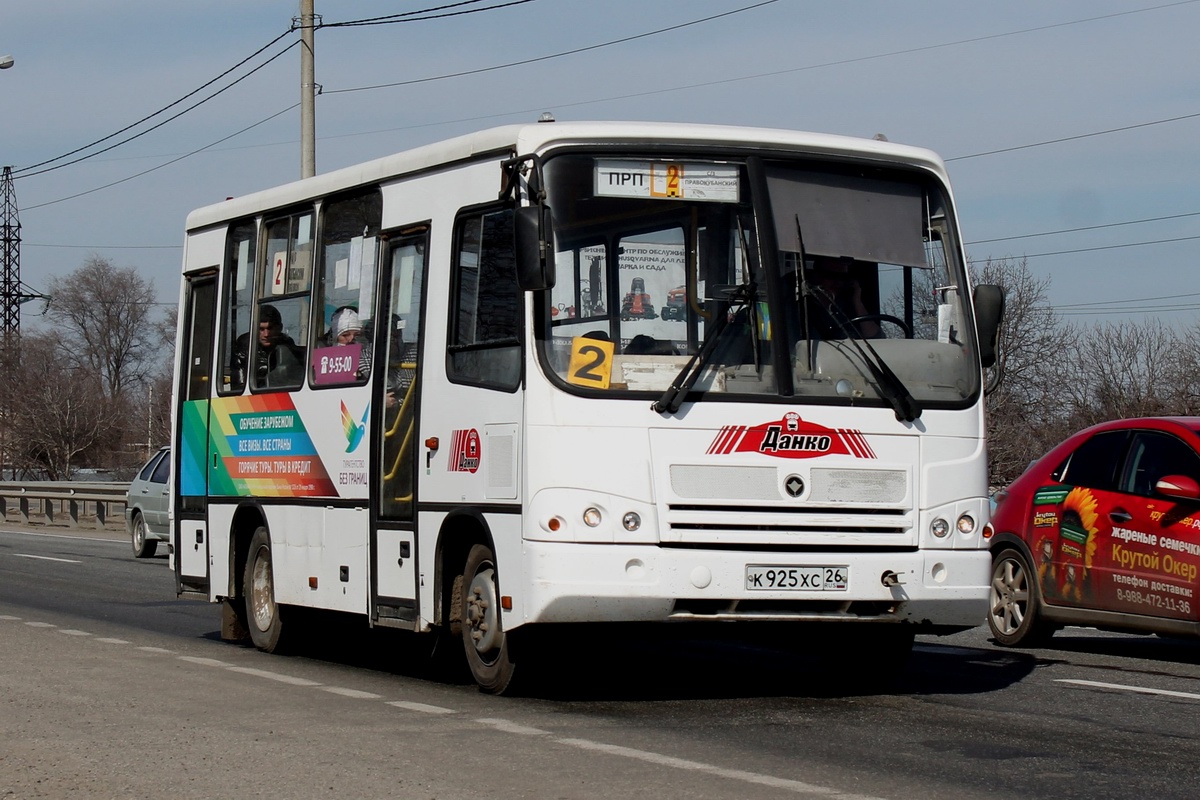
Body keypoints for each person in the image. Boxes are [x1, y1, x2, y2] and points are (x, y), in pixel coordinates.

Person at [804, 256, 882, 339]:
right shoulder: (804, 308)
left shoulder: (848, 309)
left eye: (842, 277)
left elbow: (877, 339)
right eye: (831, 276)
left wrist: (857, 302)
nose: (837, 282)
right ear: (817, 277)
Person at [235, 304, 301, 387]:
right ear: (254, 329)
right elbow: (239, 384)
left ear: (280, 328)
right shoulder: (245, 345)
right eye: (261, 329)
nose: (266, 334)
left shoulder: (286, 343)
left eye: (270, 328)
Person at [327, 305, 372, 380]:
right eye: (345, 335)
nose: (351, 339)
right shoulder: (325, 361)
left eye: (357, 335)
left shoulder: (370, 357)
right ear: (335, 337)